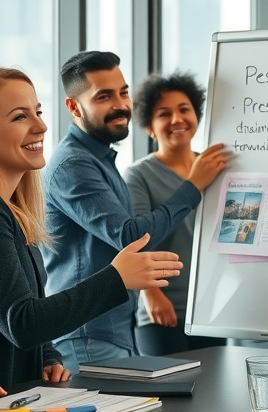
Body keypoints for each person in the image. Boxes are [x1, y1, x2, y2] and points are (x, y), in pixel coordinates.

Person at [0, 67, 186, 387]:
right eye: (20, 117)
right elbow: (22, 322)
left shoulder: (9, 207)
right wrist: (117, 278)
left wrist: (47, 356)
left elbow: (18, 310)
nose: (41, 126)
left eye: (37, 112)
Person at [43, 51, 228, 371]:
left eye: (123, 92)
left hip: (114, 332)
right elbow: (130, 236)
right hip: (89, 335)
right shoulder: (73, 164)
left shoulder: (100, 160)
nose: (120, 104)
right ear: (74, 107)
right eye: (104, 96)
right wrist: (192, 185)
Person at [124, 72, 228, 355]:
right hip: (161, 312)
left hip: (213, 312)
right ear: (148, 126)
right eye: (163, 114)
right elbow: (134, 241)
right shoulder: (138, 175)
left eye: (184, 109)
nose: (176, 120)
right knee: (170, 396)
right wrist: (151, 294)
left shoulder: (215, 167)